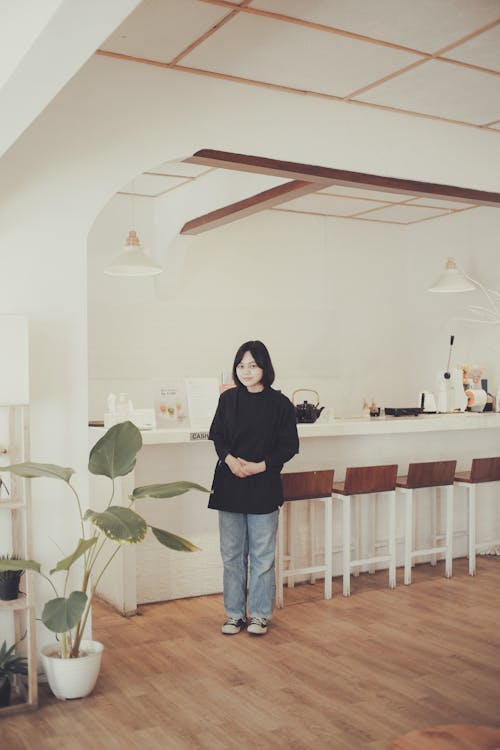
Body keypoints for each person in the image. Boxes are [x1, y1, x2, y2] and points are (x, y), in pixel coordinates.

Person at [208, 340, 299, 636]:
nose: (246, 371)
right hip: (229, 484)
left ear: (265, 368)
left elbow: (289, 446)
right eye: (241, 365)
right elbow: (217, 435)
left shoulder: (280, 404)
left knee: (262, 556)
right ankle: (234, 614)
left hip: (264, 485)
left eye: (253, 365)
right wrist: (231, 461)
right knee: (232, 555)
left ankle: (259, 615)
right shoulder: (228, 399)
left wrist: (261, 466)